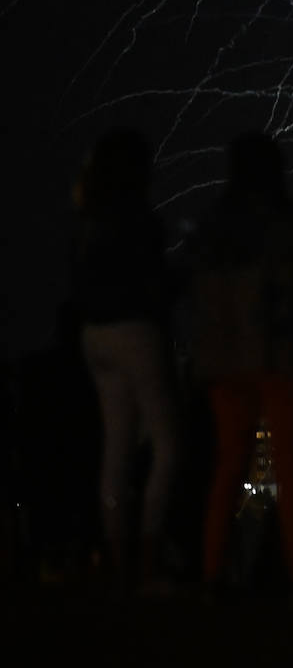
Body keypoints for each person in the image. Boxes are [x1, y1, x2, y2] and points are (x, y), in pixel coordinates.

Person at [187, 131, 293, 594]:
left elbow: (192, 292)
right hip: (280, 353)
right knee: (289, 465)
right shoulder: (290, 220)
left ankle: (212, 572)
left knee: (230, 462)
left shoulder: (212, 225)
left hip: (223, 361)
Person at [70, 127, 179, 589]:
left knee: (116, 449)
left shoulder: (88, 217)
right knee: (169, 445)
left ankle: (118, 559)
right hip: (136, 331)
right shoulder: (140, 219)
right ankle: (148, 552)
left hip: (94, 336)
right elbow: (155, 284)